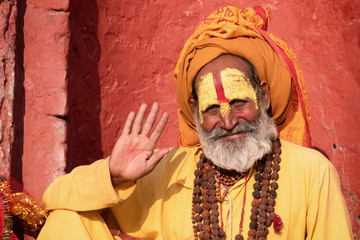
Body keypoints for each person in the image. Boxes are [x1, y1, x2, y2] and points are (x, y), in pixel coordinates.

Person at [37, 6, 353, 240]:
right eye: (212, 109)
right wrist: (115, 175)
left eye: (240, 103)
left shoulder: (311, 171)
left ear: (264, 97)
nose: (228, 122)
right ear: (195, 111)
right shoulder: (167, 169)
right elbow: (55, 198)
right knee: (66, 220)